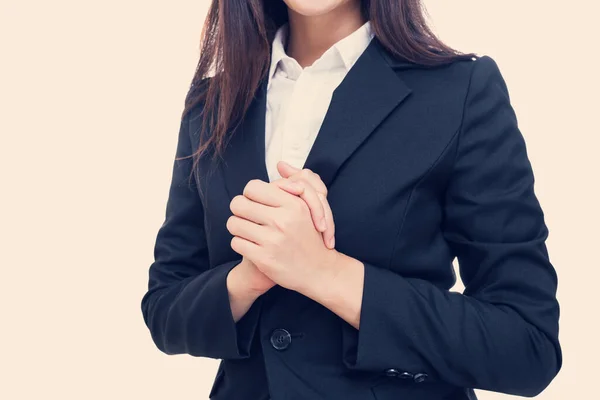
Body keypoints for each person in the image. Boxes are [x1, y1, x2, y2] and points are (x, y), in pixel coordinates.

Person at [140, 1, 562, 399]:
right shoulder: (211, 103)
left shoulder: (460, 91)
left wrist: (326, 273)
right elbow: (164, 309)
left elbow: (526, 345)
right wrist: (249, 276)